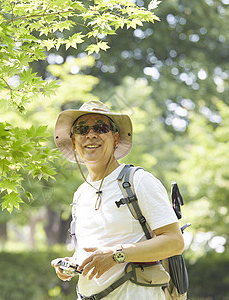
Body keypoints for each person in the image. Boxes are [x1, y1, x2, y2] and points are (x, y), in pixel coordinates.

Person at [51, 100, 185, 299]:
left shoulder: (138, 181)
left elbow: (175, 242)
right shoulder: (80, 194)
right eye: (81, 129)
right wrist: (73, 263)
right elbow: (99, 249)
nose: (90, 134)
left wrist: (117, 255)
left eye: (100, 127)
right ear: (73, 141)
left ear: (115, 138)